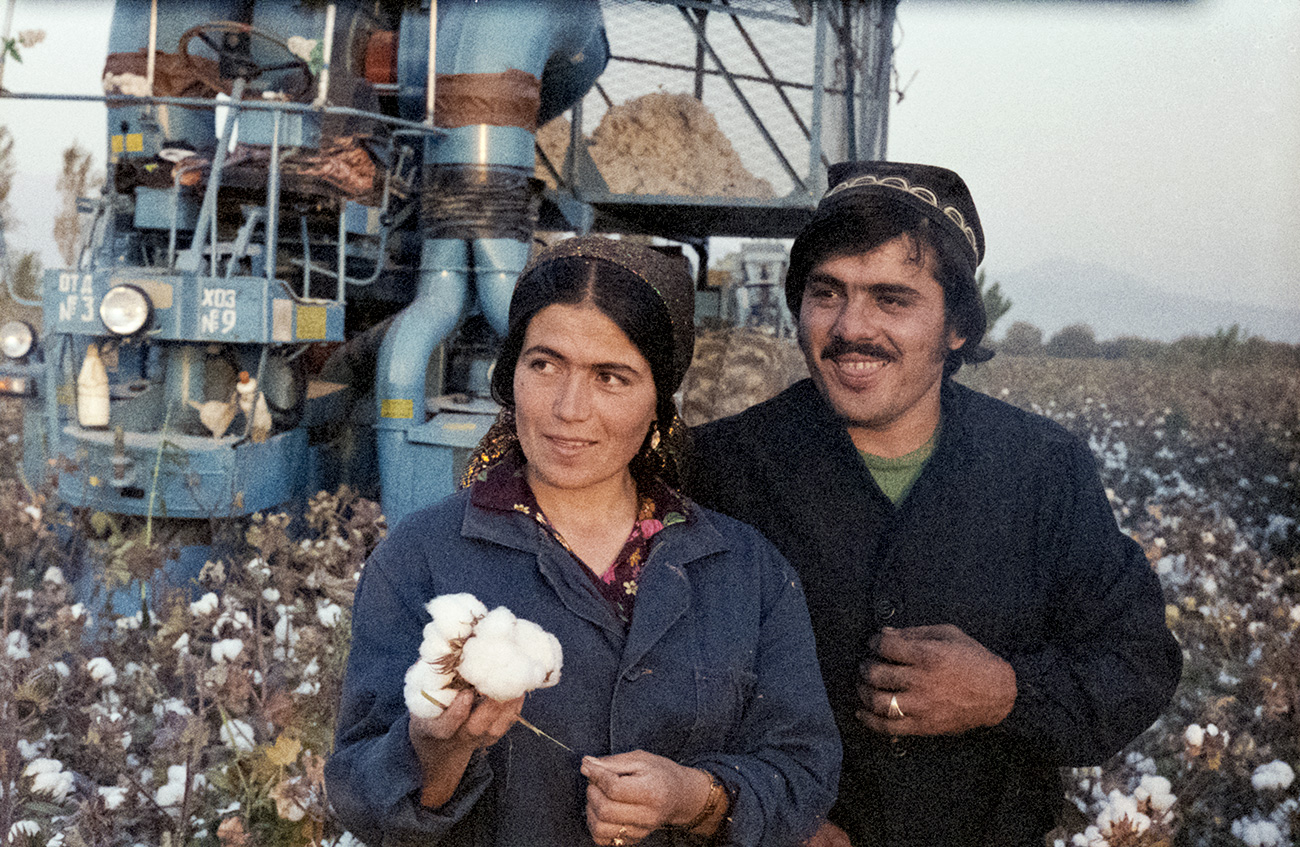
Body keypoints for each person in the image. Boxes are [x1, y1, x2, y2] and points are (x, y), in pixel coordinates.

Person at [686, 161, 1182, 847]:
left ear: (956, 326)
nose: (851, 326)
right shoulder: (718, 467)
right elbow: (646, 681)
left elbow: (1138, 661)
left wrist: (1005, 691)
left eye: (893, 299)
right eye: (827, 292)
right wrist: (767, 812)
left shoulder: (1042, 470)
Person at [326, 236, 841, 847]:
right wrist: (437, 749)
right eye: (544, 364)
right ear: (510, 371)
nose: (569, 408)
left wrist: (694, 797)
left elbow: (805, 773)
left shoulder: (745, 570)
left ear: (660, 400)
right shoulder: (423, 558)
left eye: (611, 377)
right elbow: (360, 798)